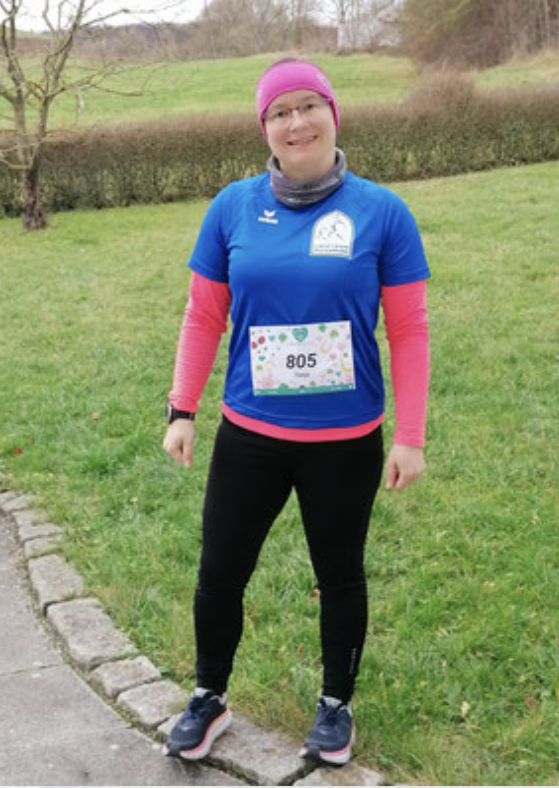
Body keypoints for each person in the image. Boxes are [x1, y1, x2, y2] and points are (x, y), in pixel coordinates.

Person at [159, 58, 429, 765]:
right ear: (265, 128)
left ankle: (336, 707)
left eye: (309, 106)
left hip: (345, 439)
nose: (297, 121)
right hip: (250, 434)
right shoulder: (233, 208)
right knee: (220, 570)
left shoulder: (381, 212)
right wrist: (181, 408)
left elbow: (408, 329)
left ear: (333, 113)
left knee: (339, 573)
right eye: (281, 112)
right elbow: (202, 315)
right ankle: (208, 697)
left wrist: (411, 434)